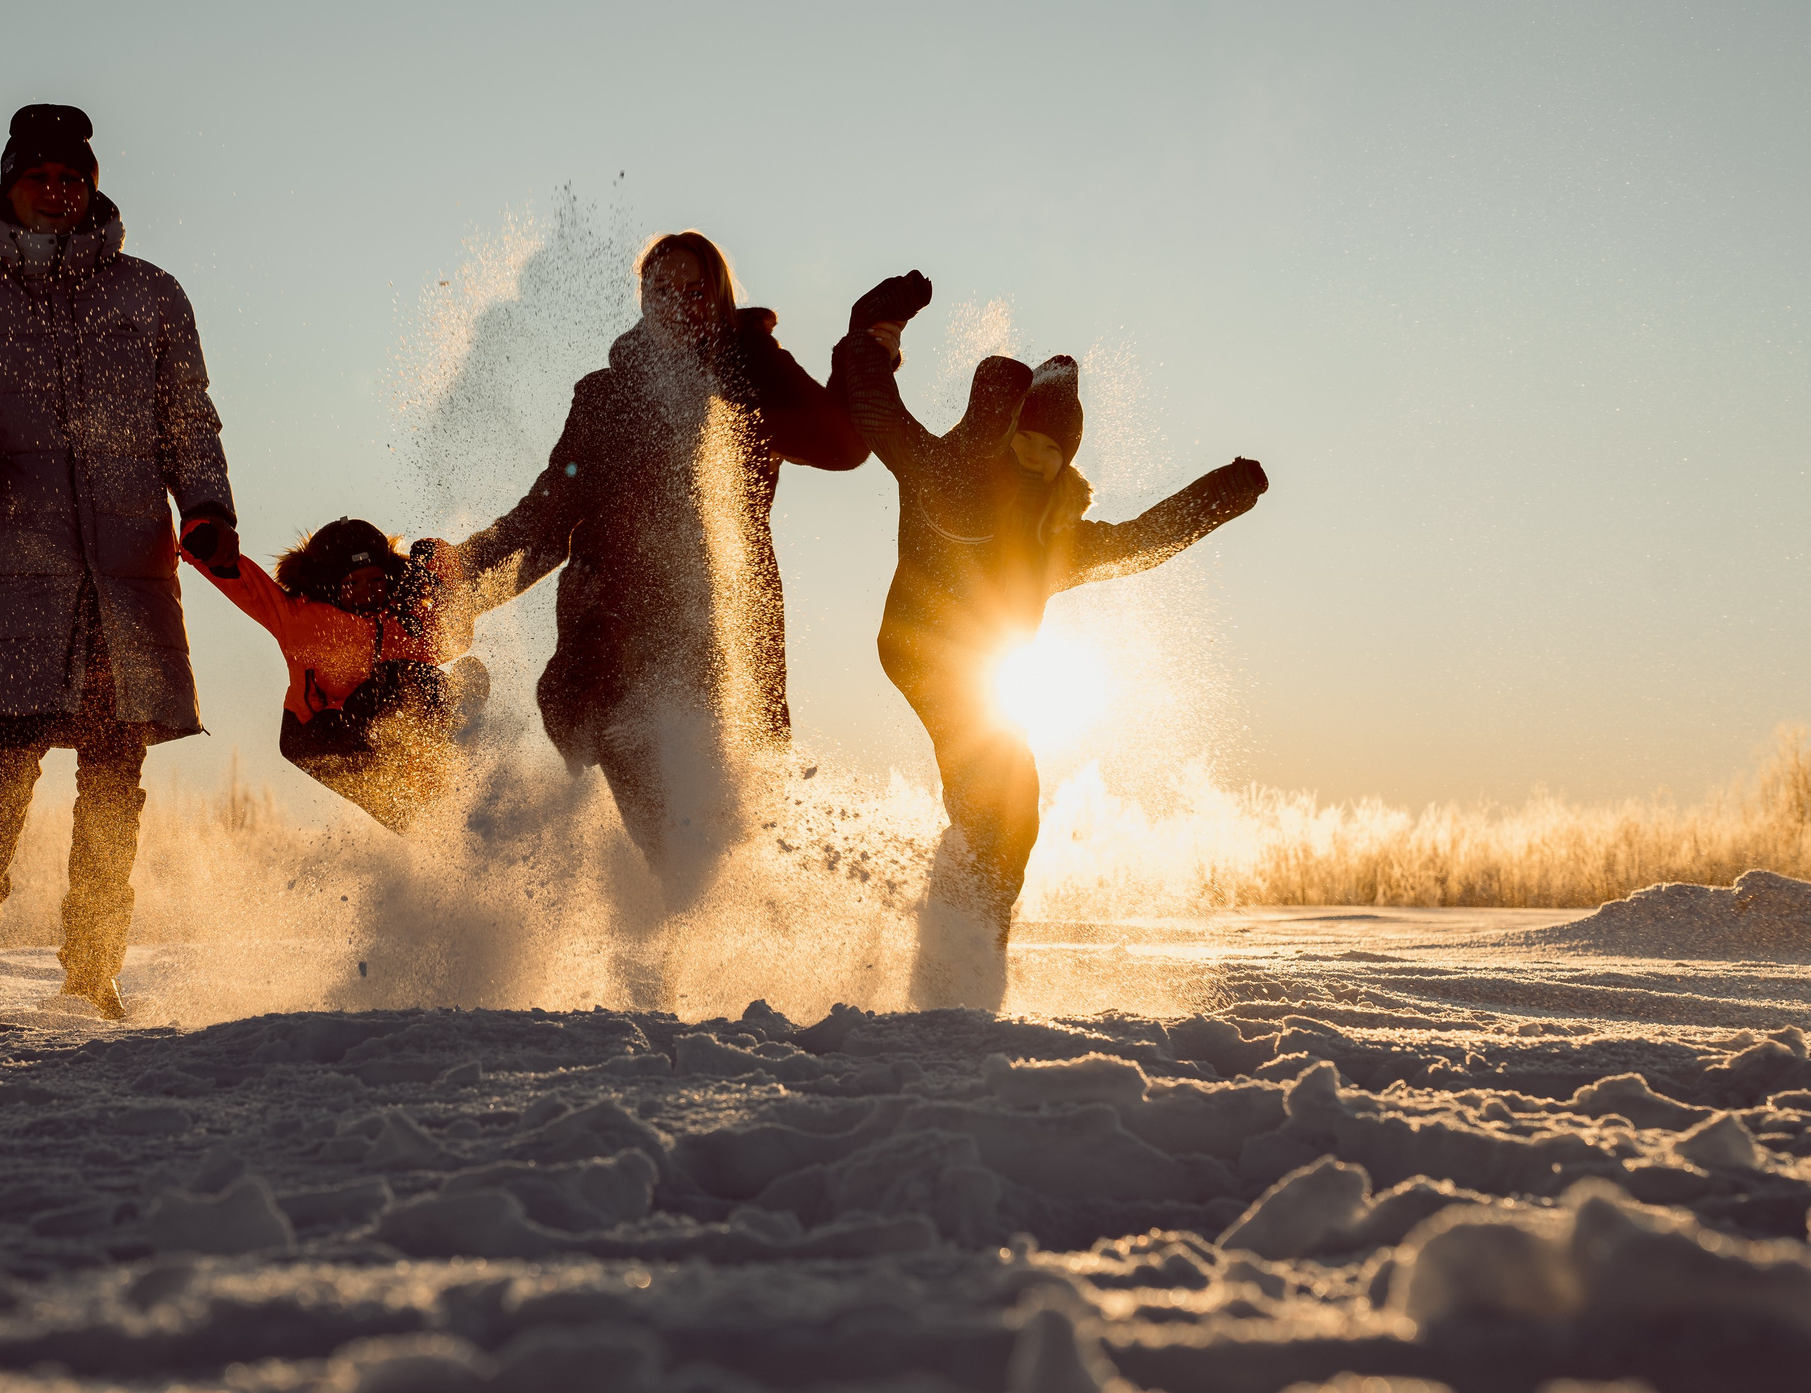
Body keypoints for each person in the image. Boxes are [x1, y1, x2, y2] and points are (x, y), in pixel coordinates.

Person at [831, 274, 1267, 1007]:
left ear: (1068, 458)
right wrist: (874, 326)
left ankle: (970, 924)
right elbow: (877, 410)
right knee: (998, 781)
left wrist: (1218, 496)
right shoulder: (942, 470)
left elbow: (1140, 541)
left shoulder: (1053, 539)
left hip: (982, 674)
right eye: (1025, 440)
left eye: (1050, 450)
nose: (1034, 457)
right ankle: (966, 901)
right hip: (919, 648)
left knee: (1014, 805)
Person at [0, 104, 240, 1022]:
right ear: (10, 185)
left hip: (127, 566)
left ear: (92, 187)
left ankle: (91, 970)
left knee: (116, 763)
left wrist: (207, 508)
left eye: (71, 179)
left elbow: (189, 420)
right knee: (7, 752)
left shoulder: (151, 296)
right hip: (19, 560)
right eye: (39, 178)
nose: (56, 192)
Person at [456, 230, 868, 902]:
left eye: (695, 289)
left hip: (720, 646)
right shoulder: (601, 397)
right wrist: (462, 578)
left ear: (719, 299)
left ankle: (708, 965)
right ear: (642, 300)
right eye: (660, 289)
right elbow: (547, 515)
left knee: (726, 838)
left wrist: (841, 347)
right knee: (652, 798)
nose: (677, 302)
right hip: (612, 643)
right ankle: (667, 945)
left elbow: (841, 444)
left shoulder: (748, 380)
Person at [181, 514, 488, 831]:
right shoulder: (300, 619)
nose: (366, 593)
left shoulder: (402, 618)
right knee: (393, 683)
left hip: (388, 731)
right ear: (328, 586)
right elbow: (243, 582)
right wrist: (204, 543)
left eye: (376, 581)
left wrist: (439, 563)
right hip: (319, 734)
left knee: (419, 690)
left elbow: (456, 635)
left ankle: (443, 820)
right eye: (351, 584)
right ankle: (427, 795)